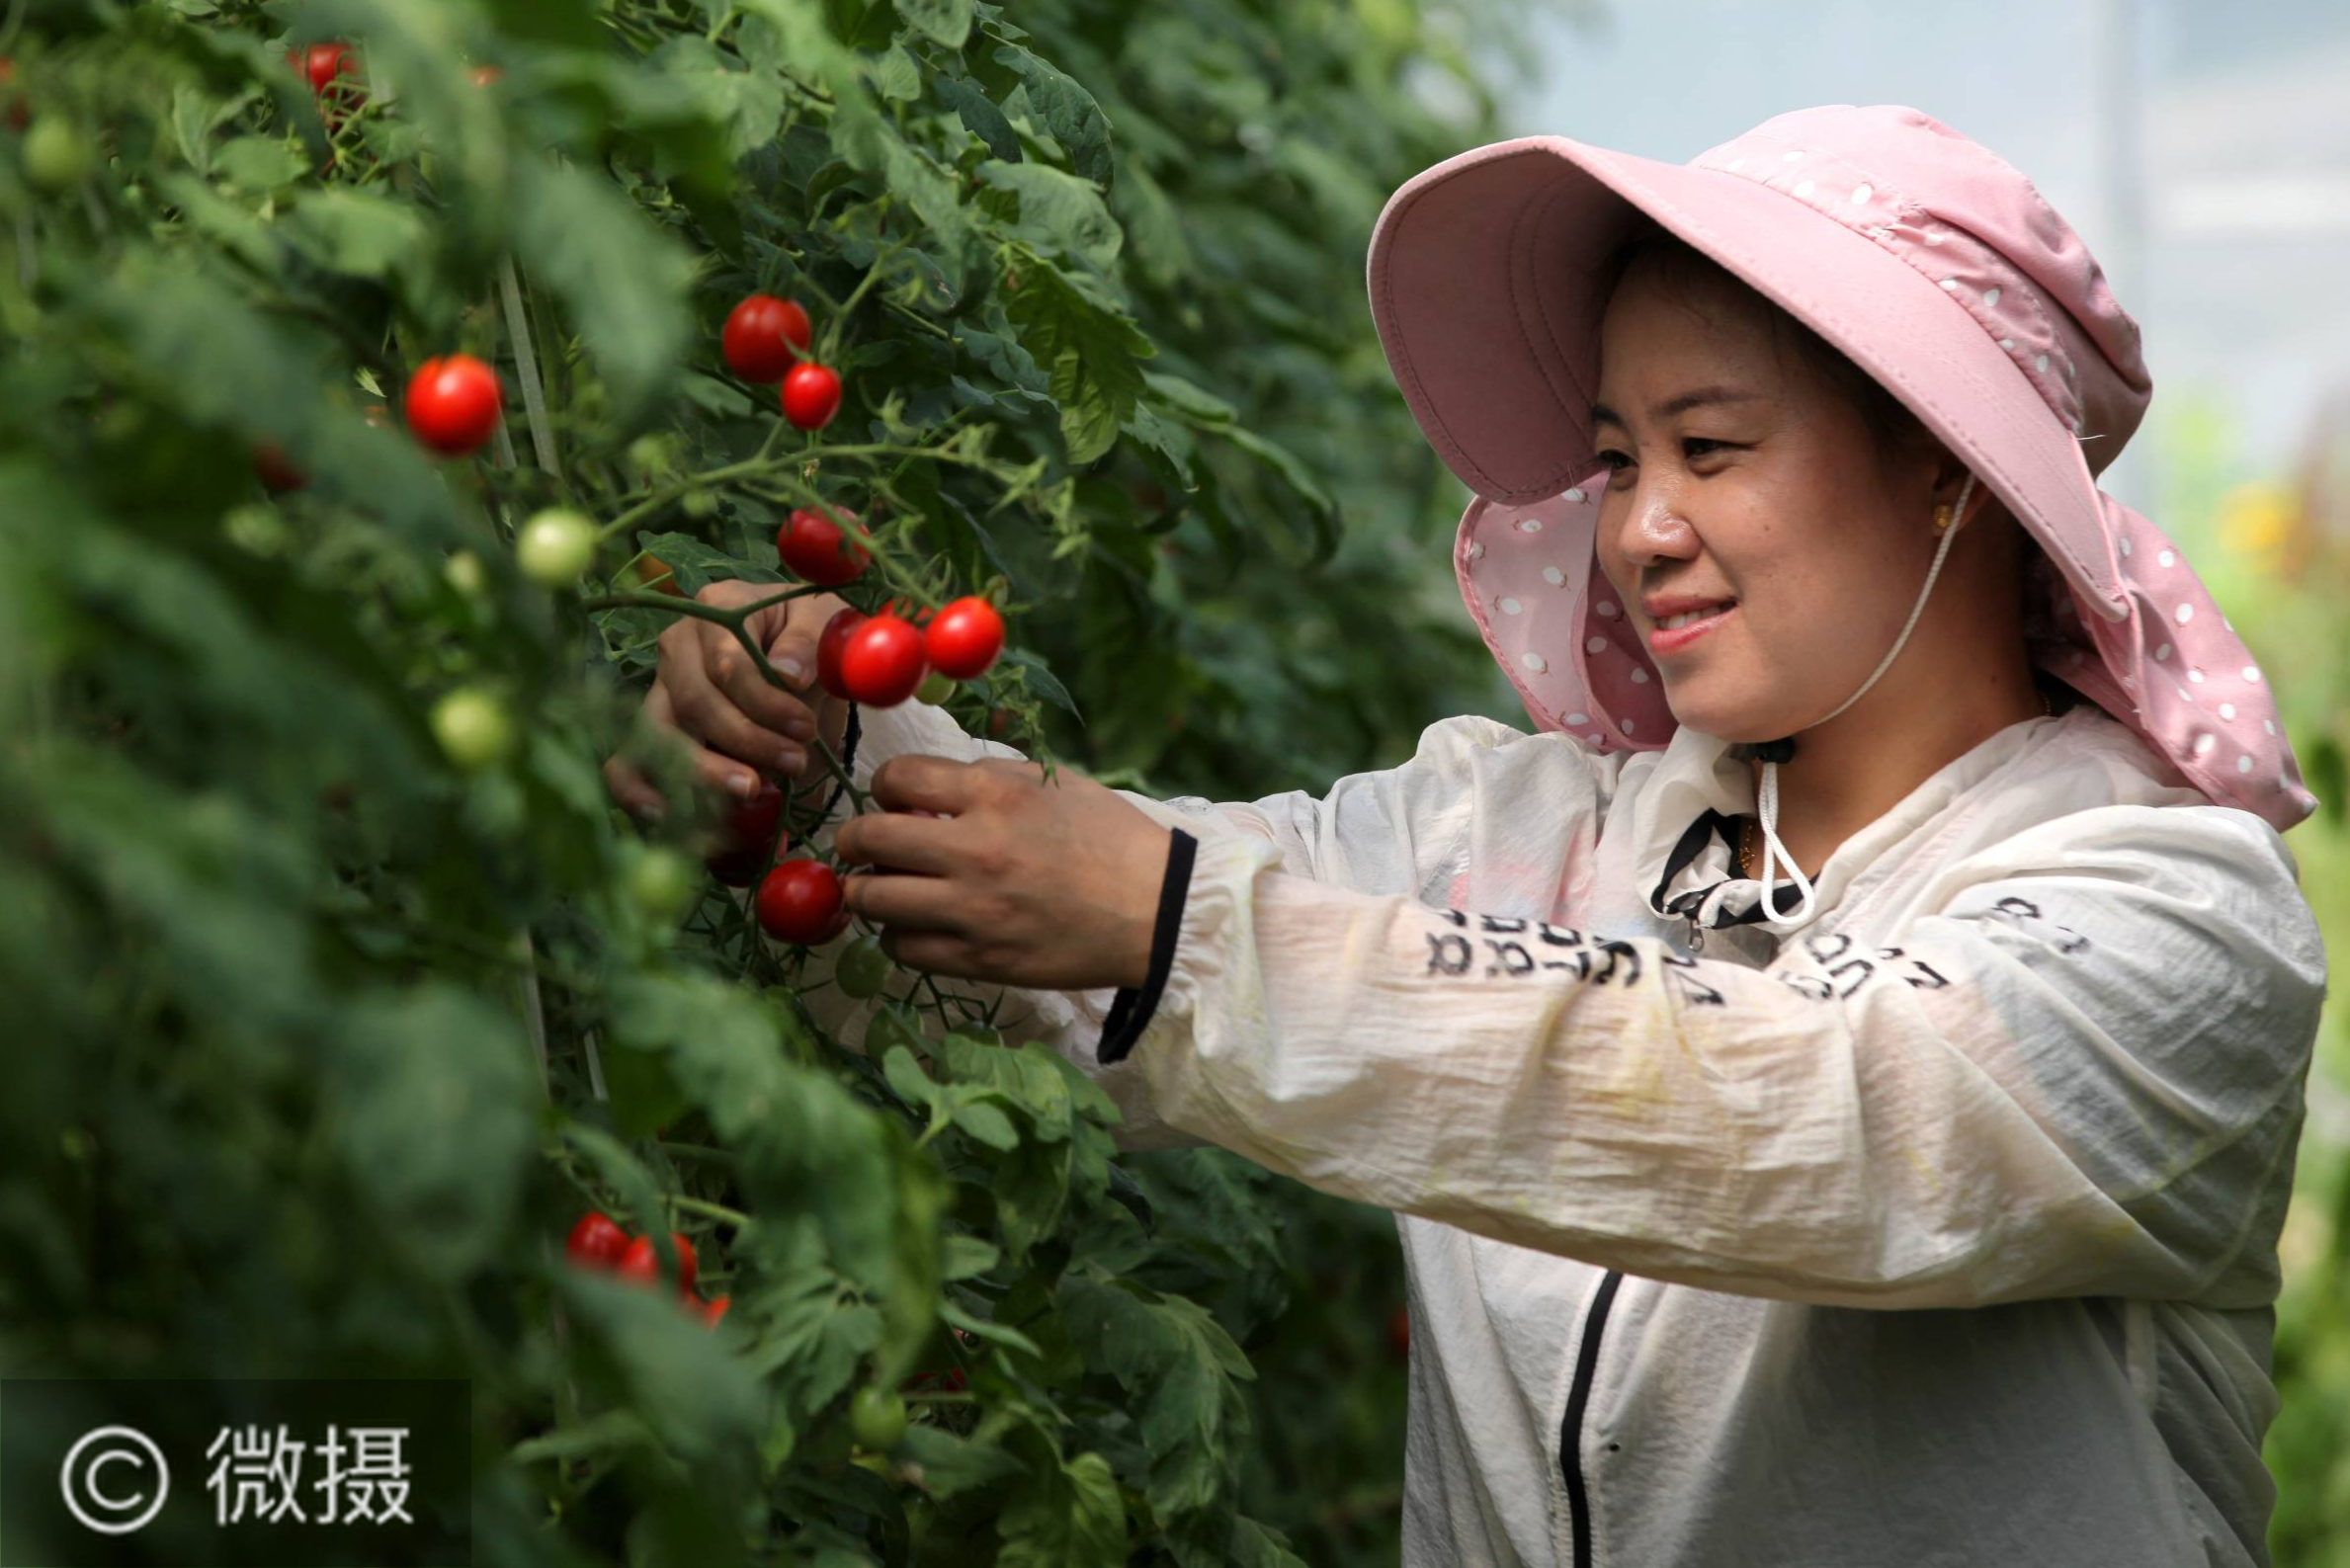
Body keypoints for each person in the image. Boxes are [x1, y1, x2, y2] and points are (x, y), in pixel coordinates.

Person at [603, 105, 2329, 1568]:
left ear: (1947, 469)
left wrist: (1182, 927)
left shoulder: (2169, 908)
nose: (1641, 528)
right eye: (1617, 458)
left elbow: (1836, 1115)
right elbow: (1070, 940)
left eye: (1711, 447)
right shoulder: (1520, 830)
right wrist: (813, 748)